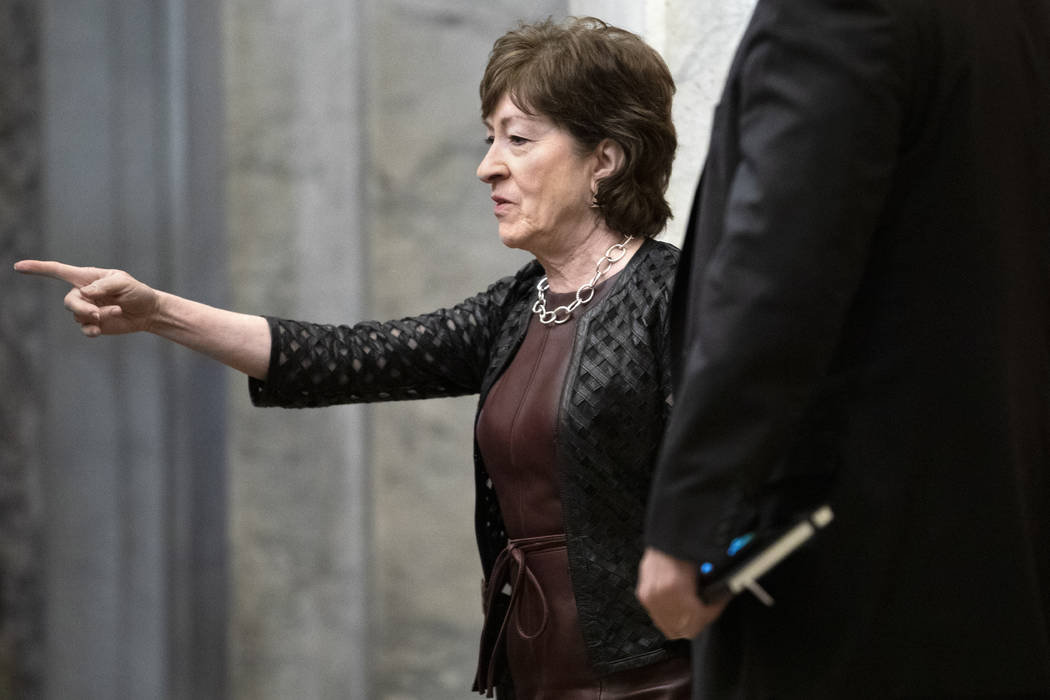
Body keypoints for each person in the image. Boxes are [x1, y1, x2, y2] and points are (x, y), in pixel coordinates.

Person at [17, 17, 692, 699]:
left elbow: (737, 484)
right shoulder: (519, 306)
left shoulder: (674, 297)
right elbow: (342, 356)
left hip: (655, 679)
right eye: (490, 139)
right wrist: (157, 311)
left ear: (604, 159)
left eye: (517, 139)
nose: (488, 165)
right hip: (530, 674)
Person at [636, 0, 1050, 698]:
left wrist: (691, 521)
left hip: (843, 574)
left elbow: (776, 274)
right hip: (996, 557)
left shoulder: (840, 11)